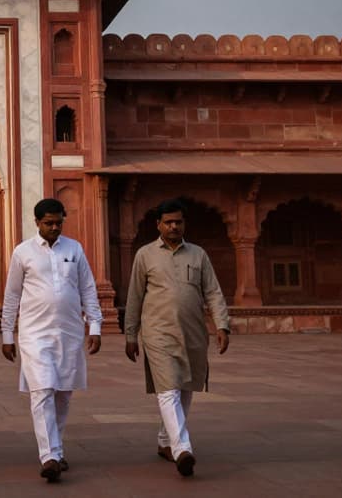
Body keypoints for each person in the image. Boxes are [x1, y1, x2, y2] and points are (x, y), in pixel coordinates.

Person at [124, 198, 230, 478]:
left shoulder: (198, 255)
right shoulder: (145, 255)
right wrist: (131, 334)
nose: (173, 226)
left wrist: (222, 325)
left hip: (194, 331)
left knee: (185, 386)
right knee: (168, 388)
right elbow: (134, 296)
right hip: (158, 333)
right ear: (158, 224)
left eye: (178, 222)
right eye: (168, 222)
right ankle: (182, 448)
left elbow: (213, 292)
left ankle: (164, 440)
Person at [1, 198, 102, 482]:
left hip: (69, 332)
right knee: (43, 389)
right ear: (37, 222)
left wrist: (94, 326)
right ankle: (50, 456)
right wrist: (8, 333)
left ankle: (55, 448)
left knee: (63, 393)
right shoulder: (23, 252)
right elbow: (12, 295)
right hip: (35, 333)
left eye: (59, 222)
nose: (55, 227)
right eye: (49, 223)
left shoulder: (74, 248)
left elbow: (87, 288)